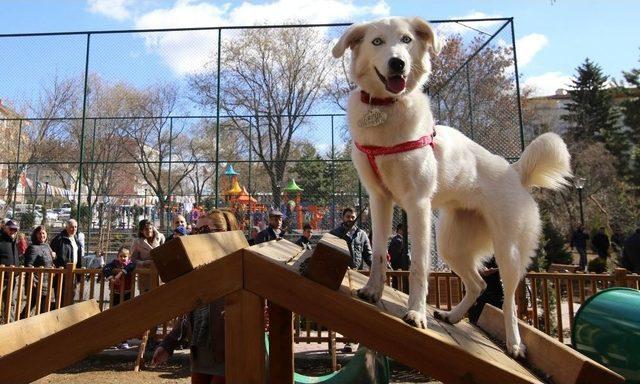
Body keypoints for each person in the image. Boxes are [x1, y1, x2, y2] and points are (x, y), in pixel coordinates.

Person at [152, 209, 236, 384]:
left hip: (229, 354)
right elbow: (189, 313)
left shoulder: (237, 267)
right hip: (201, 356)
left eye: (204, 230)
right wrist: (168, 344)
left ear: (223, 233)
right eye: (196, 231)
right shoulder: (198, 270)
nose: (197, 236)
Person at [22, 225, 55, 316]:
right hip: (36, 283)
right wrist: (32, 280)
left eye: (43, 233)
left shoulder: (47, 246)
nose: (42, 235)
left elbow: (49, 261)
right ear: (35, 235)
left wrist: (53, 258)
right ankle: (22, 320)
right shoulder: (33, 248)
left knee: (41, 306)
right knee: (33, 305)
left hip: (47, 281)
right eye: (39, 233)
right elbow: (28, 265)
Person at [50, 219, 82, 306]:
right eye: (71, 227)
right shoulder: (58, 239)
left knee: (71, 297)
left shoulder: (76, 241)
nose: (74, 229)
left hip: (73, 273)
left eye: (75, 227)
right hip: (62, 273)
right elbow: (52, 256)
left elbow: (78, 258)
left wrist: (79, 276)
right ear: (66, 227)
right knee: (60, 298)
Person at [130, 219, 165, 290]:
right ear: (141, 231)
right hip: (145, 274)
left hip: (159, 273)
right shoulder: (137, 242)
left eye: (150, 228)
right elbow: (132, 259)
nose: (148, 231)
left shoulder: (160, 237)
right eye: (146, 229)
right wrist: (144, 263)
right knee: (146, 297)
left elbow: (164, 252)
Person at [467, 257, 504, 324]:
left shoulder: (497, 252)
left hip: (495, 294)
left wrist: (495, 270)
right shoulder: (472, 253)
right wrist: (476, 270)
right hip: (477, 294)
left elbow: (507, 267)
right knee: (475, 320)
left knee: (496, 322)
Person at [0, 219, 20, 322]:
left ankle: (9, 322)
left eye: (15, 229)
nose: (13, 231)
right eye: (11, 229)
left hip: (14, 277)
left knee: (11, 301)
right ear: (5, 228)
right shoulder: (1, 240)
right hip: (2, 278)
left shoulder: (13, 241)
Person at [388, 223, 410, 291]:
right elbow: (395, 256)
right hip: (399, 268)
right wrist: (398, 267)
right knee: (400, 287)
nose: (408, 232)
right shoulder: (398, 241)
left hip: (398, 268)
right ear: (400, 230)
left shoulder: (398, 240)